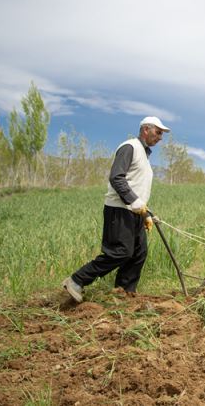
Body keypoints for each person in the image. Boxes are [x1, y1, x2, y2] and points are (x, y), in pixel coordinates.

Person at [62, 116, 170, 302]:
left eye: (162, 134)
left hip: (134, 211)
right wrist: (134, 203)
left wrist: (146, 213)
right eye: (158, 132)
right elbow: (116, 178)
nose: (161, 137)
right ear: (146, 129)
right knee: (121, 252)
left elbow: (136, 185)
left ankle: (123, 294)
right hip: (119, 209)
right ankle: (76, 280)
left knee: (138, 253)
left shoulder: (144, 154)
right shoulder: (130, 147)